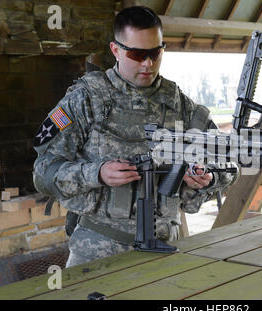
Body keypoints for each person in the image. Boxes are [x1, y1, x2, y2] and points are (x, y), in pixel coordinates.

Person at [32, 6, 239, 268]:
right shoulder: (85, 100)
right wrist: (96, 173)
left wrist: (208, 177)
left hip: (167, 247)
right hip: (98, 252)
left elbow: (230, 163)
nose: (147, 63)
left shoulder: (180, 106)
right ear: (115, 50)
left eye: (155, 53)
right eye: (137, 54)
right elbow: (42, 173)